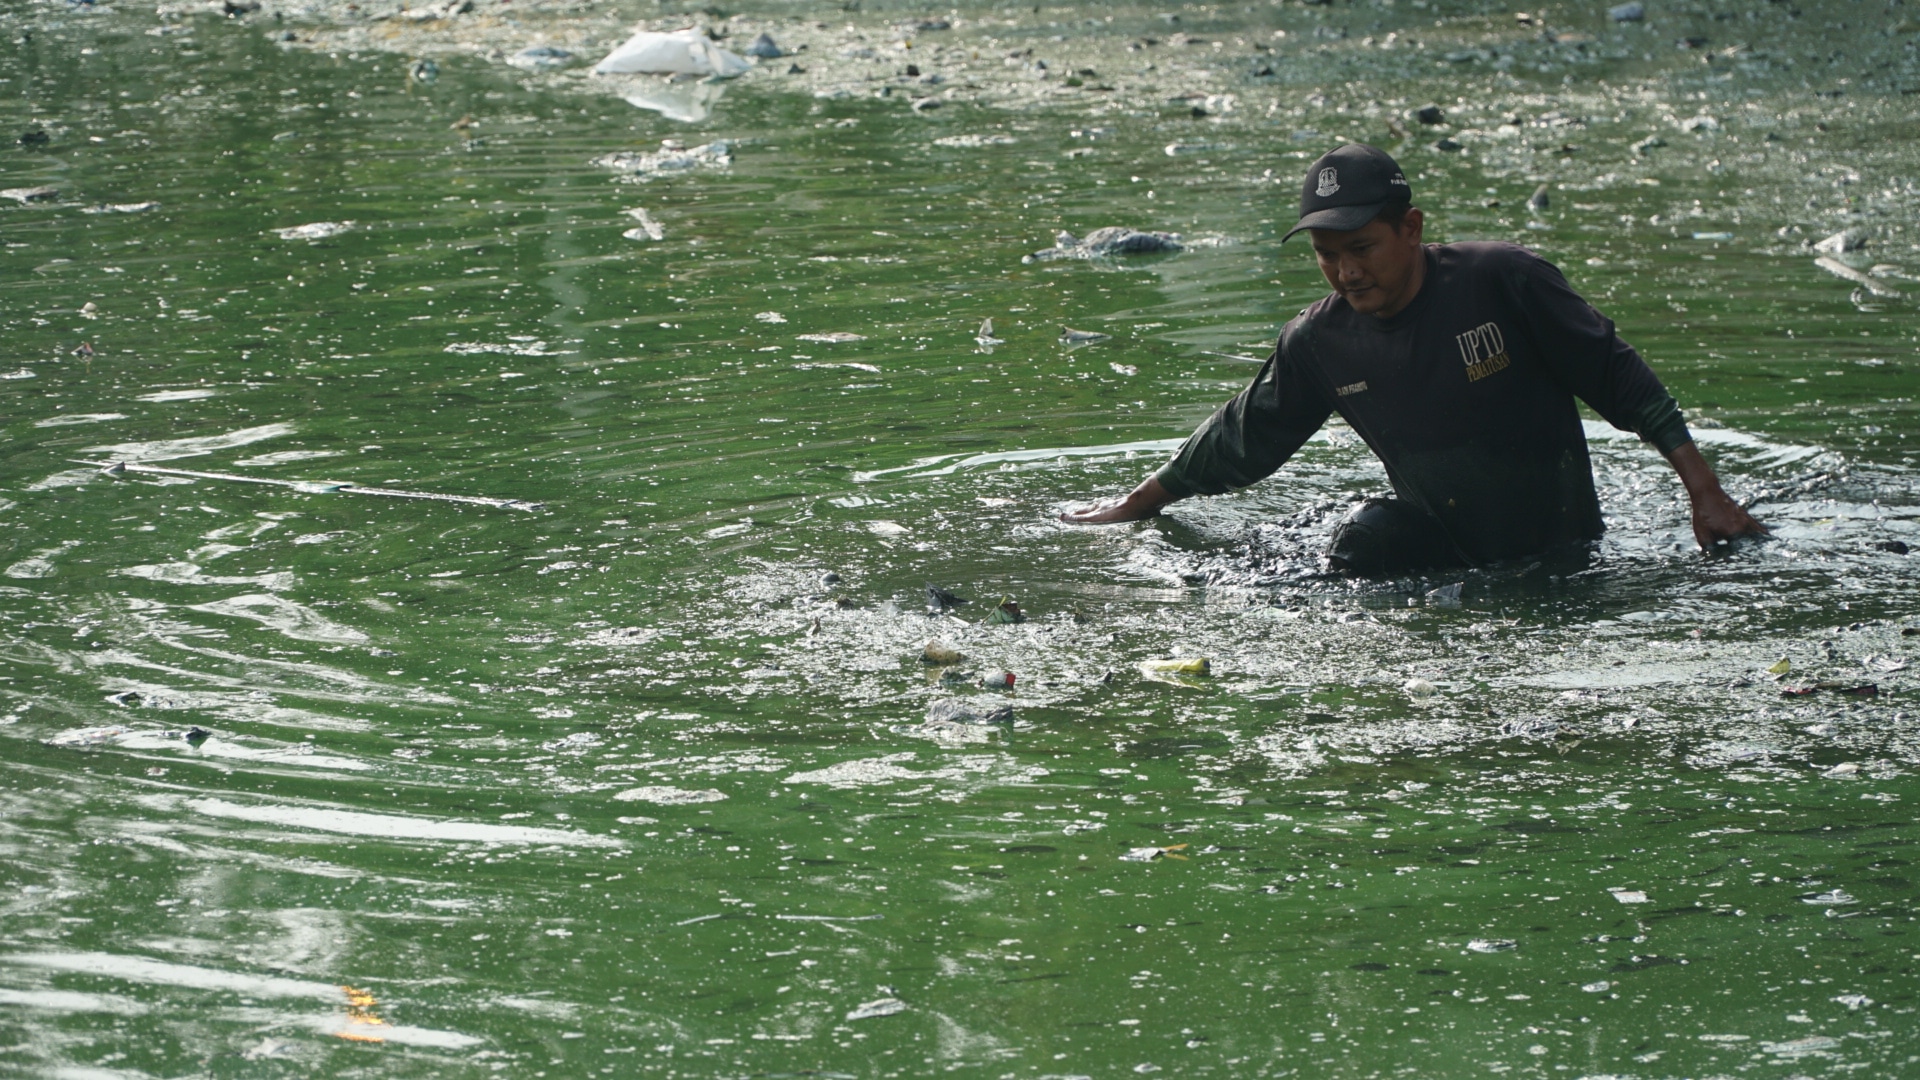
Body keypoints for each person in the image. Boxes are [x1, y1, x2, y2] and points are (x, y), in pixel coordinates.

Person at [1061, 143, 1765, 575]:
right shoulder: (1319, 342)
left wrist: (1703, 490)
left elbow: (1616, 374)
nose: (1345, 273)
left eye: (1361, 249)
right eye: (1326, 257)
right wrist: (1133, 505)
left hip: (1564, 549)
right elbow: (1242, 438)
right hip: (1440, 550)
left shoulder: (1503, 280)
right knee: (1360, 542)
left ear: (1411, 229)